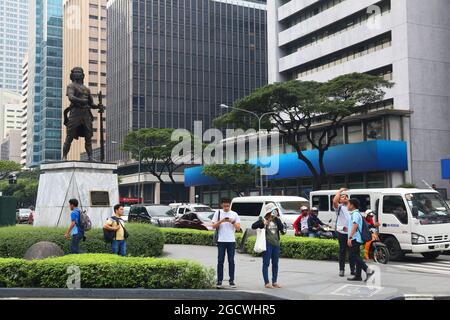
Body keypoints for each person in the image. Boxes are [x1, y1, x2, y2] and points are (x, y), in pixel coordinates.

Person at [252, 203, 286, 289]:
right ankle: (267, 282)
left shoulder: (277, 220)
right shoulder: (263, 220)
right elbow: (253, 226)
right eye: (273, 211)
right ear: (269, 212)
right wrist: (263, 223)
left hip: (276, 244)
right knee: (266, 263)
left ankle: (274, 282)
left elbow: (283, 231)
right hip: (267, 244)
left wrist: (281, 224)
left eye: (276, 211)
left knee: (275, 264)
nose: (275, 212)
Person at [212, 198, 241, 289]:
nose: (226, 207)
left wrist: (232, 221)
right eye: (224, 206)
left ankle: (231, 281)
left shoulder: (234, 214)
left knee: (231, 261)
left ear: (230, 205)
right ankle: (219, 281)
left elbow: (238, 229)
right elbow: (213, 226)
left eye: (228, 206)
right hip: (221, 241)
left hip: (231, 241)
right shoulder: (218, 213)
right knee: (220, 261)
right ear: (221, 205)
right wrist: (221, 221)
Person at [347, 199, 375, 282]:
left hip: (355, 238)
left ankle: (368, 271)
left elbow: (355, 225)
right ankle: (358, 276)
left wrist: (350, 237)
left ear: (352, 205)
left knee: (353, 256)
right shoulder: (356, 213)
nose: (347, 206)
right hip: (356, 238)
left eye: (348, 204)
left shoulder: (355, 214)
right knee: (357, 256)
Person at [333, 188, 355, 277]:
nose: (345, 197)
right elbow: (334, 200)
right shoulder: (339, 207)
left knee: (352, 252)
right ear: (340, 200)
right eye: (342, 197)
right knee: (342, 251)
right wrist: (339, 191)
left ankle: (353, 270)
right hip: (342, 233)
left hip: (351, 233)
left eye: (346, 196)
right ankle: (341, 270)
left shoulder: (351, 208)